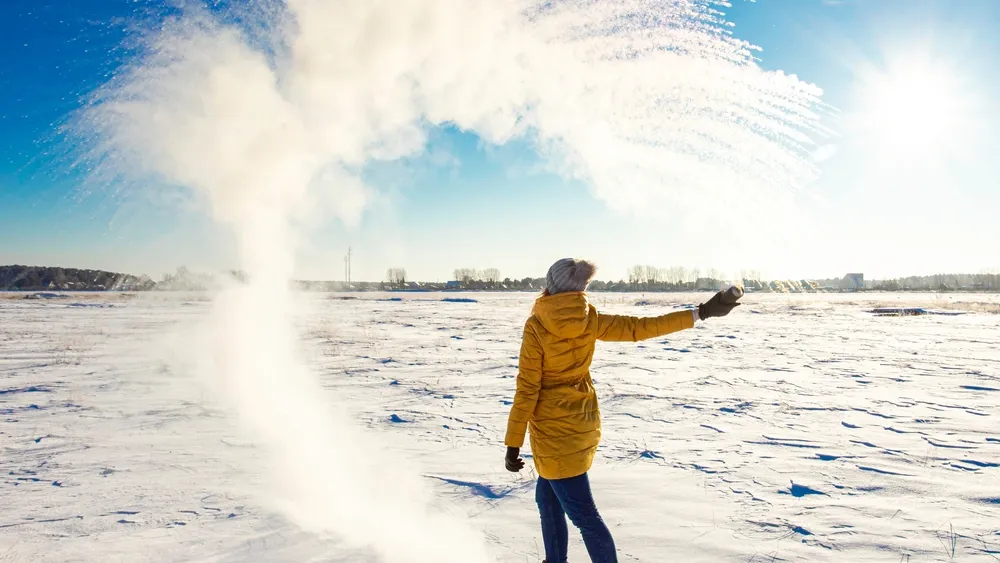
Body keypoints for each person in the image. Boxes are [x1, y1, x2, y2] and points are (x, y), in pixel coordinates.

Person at [503, 258, 739, 563]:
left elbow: (527, 388)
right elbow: (641, 328)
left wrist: (512, 443)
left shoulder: (537, 325)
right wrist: (701, 312)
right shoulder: (590, 317)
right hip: (580, 425)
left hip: (554, 435)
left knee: (585, 517)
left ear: (551, 283)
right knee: (547, 501)